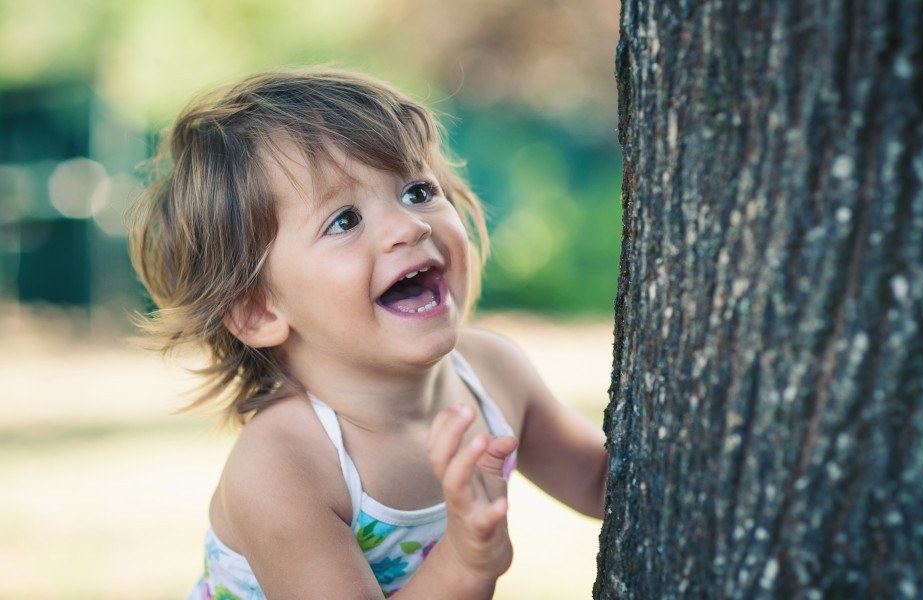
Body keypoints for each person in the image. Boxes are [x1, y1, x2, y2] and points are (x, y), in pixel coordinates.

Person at [129, 66, 608, 599]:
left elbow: (604, 483)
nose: (410, 225)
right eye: (345, 220)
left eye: (418, 190)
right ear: (259, 311)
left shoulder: (493, 373)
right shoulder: (284, 467)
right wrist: (467, 565)